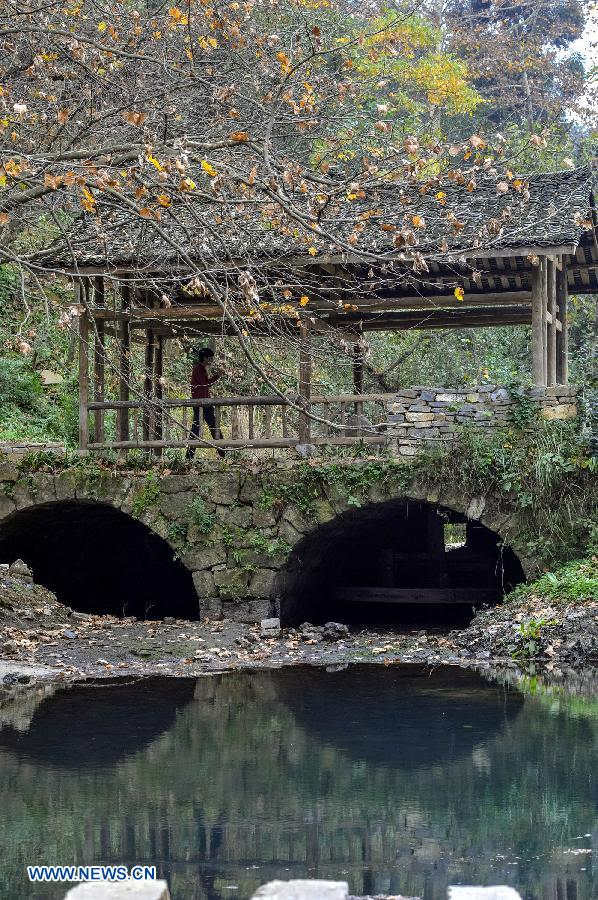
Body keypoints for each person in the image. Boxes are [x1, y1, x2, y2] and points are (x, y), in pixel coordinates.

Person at [186, 347, 225, 459]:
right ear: (204, 358)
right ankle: (222, 453)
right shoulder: (199, 369)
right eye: (210, 358)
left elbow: (205, 384)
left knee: (201, 428)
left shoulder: (200, 369)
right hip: (201, 403)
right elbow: (205, 384)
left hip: (203, 402)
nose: (211, 360)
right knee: (208, 427)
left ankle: (189, 457)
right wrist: (217, 376)